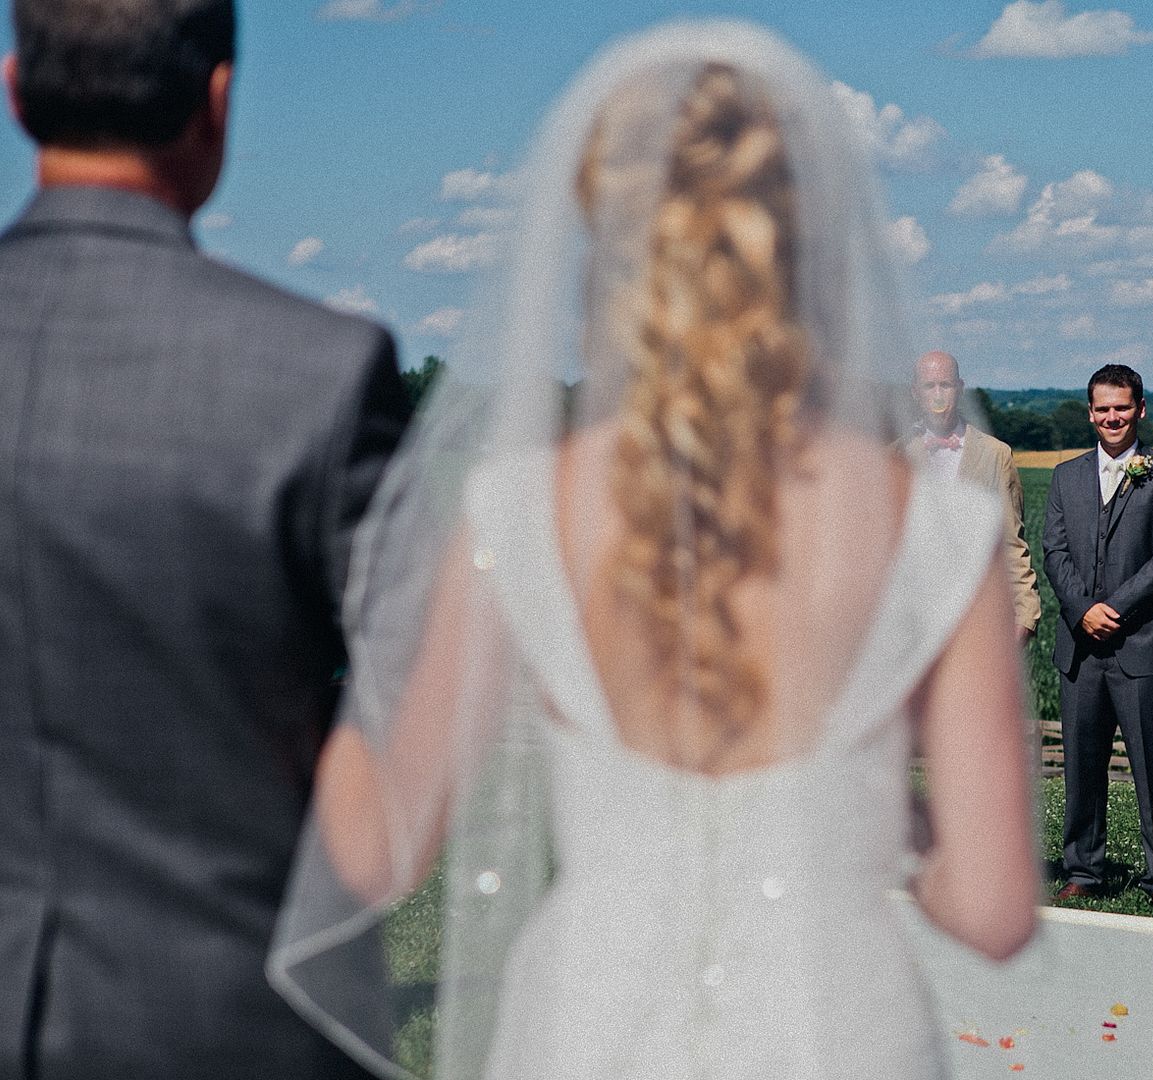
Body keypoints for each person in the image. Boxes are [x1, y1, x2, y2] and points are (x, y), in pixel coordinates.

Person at [269, 22, 1038, 1080]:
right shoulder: (936, 525)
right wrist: (889, 832)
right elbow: (994, 911)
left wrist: (265, 647)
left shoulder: (516, 512)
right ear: (806, 252)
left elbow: (374, 848)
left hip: (588, 1027)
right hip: (839, 1033)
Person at [0, 2, 410, 1077]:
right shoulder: (316, 375)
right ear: (217, 103)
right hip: (228, 1023)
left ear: (14, 91)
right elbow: (399, 731)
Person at [1043, 364, 1153, 906]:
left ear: (1141, 409)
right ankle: (1083, 869)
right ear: (1090, 412)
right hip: (1080, 647)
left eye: (1122, 407)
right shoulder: (1066, 476)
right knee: (1081, 763)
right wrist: (1083, 610)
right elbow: (1054, 553)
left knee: (1152, 764)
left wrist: (1115, 607)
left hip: (1143, 644)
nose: (1112, 417)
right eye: (1103, 408)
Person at [904, 350, 1041, 643]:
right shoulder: (896, 455)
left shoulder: (995, 454)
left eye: (946, 385)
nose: (938, 394)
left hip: (978, 616)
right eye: (930, 386)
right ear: (916, 392)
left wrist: (1025, 614)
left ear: (960, 388)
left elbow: (1012, 540)